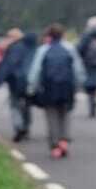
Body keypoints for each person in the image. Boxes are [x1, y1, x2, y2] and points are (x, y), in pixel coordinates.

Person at [28, 23, 79, 158]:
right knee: (65, 113)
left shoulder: (44, 50)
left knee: (51, 115)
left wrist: (31, 87)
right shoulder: (70, 48)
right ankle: (64, 139)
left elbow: (36, 70)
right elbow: (77, 68)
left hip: (49, 88)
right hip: (67, 87)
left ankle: (55, 144)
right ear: (62, 35)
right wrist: (78, 85)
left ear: (49, 36)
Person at [0, 27, 34, 142]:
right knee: (26, 105)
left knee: (14, 105)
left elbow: (8, 66)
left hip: (15, 81)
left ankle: (19, 126)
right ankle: (26, 127)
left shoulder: (13, 49)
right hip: (28, 80)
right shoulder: (29, 47)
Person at [75, 16, 96, 119]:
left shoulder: (86, 35)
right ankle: (93, 102)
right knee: (94, 85)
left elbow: (79, 48)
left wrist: (80, 59)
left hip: (87, 64)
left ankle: (92, 104)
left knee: (88, 86)